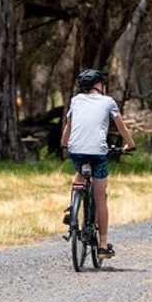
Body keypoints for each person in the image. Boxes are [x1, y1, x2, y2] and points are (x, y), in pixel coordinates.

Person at [61, 69, 135, 259]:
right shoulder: (108, 101)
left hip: (76, 150)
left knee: (80, 171)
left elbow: (69, 125)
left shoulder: (75, 100)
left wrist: (64, 142)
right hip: (97, 153)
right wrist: (130, 144)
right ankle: (102, 245)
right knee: (100, 197)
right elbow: (120, 125)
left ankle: (73, 207)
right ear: (98, 85)